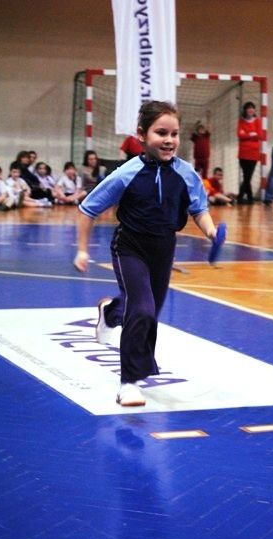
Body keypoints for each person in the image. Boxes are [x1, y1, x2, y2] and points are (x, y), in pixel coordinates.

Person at [74, 100, 217, 407]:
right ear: (141, 134)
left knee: (146, 310)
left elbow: (199, 208)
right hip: (129, 246)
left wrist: (211, 231)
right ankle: (128, 382)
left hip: (164, 249)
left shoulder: (186, 173)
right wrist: (82, 250)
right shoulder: (126, 174)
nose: (169, 140)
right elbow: (87, 210)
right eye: (161, 133)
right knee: (142, 310)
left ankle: (110, 313)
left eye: (174, 134)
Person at [237, 101, 262, 204]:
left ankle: (241, 197)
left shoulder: (258, 121)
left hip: (253, 153)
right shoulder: (241, 121)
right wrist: (251, 134)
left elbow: (259, 135)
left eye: (252, 108)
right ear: (245, 110)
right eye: (248, 108)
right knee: (246, 176)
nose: (251, 110)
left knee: (248, 176)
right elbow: (240, 135)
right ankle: (249, 198)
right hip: (243, 153)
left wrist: (247, 134)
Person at [190, 110, 211, 179]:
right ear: (198, 130)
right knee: (196, 173)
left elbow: (209, 127)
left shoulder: (206, 136)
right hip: (197, 159)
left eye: (203, 129)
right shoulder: (196, 137)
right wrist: (196, 124)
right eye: (200, 129)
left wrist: (208, 117)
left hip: (205, 159)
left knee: (205, 175)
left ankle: (204, 184)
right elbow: (191, 131)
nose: (201, 130)